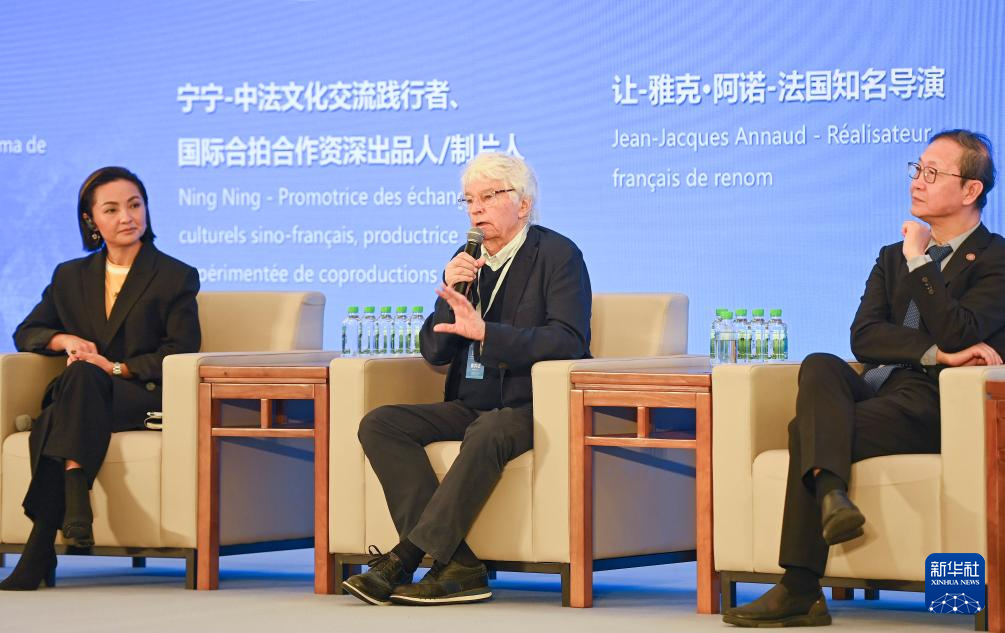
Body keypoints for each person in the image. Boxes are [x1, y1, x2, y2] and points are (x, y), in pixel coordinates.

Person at [724, 129, 1004, 627]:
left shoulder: (994, 259)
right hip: (881, 387)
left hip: (934, 402)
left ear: (970, 190)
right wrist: (936, 352)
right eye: (917, 169)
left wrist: (920, 262)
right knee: (820, 363)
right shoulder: (890, 255)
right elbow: (864, 336)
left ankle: (801, 586)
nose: (917, 181)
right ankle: (831, 499)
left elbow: (960, 329)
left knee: (804, 430)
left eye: (932, 173)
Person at [343, 152, 592, 605]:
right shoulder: (466, 260)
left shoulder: (558, 255)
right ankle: (459, 565)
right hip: (470, 401)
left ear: (523, 204)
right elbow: (435, 351)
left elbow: (569, 340)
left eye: (489, 196)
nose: (476, 209)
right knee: (381, 423)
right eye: (469, 200)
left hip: (530, 405)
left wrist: (487, 333)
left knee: (489, 429)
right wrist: (448, 291)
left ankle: (406, 556)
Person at [1, 166, 201, 590]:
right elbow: (28, 332)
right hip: (87, 395)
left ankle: (44, 541)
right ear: (91, 219)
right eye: (111, 209)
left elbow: (181, 351)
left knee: (59, 410)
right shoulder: (69, 275)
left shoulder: (175, 276)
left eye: (135, 205)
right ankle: (70, 502)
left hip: (141, 394)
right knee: (79, 380)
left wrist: (115, 367)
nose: (127, 217)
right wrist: (66, 340)